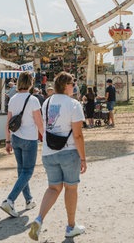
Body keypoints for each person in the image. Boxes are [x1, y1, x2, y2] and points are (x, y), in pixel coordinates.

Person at [29, 71, 86, 241]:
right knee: (71, 187)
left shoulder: (47, 102)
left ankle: (39, 219)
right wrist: (83, 158)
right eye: (73, 83)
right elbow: (77, 135)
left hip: (49, 151)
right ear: (66, 85)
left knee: (53, 188)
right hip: (68, 151)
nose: (74, 86)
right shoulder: (74, 104)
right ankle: (70, 226)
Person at [1, 71, 44, 218]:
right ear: (30, 83)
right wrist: (46, 138)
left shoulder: (13, 99)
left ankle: (29, 200)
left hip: (16, 137)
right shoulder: (33, 100)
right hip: (29, 139)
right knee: (28, 171)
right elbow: (39, 122)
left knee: (22, 171)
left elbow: (8, 122)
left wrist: (7, 140)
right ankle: (10, 200)